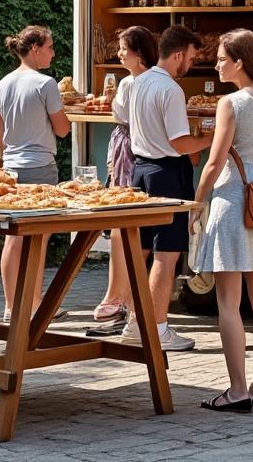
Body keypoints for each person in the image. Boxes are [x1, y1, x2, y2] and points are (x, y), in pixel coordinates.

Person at [192, 29, 253, 411]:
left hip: (234, 202)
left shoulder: (231, 103)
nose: (216, 63)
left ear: (239, 61)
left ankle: (236, 391)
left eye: (220, 58)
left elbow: (215, 162)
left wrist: (197, 204)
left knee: (229, 302)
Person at [120, 25, 211, 352]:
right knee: (167, 253)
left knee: (142, 250)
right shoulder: (170, 89)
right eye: (191, 56)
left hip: (141, 170)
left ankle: (134, 322)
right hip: (168, 172)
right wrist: (213, 139)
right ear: (178, 54)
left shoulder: (136, 82)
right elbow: (180, 141)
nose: (192, 62)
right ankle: (157, 327)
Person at [0, 26, 70, 321]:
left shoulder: (3, 83)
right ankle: (34, 303)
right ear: (35, 48)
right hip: (40, 166)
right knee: (38, 238)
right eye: (50, 47)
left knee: (13, 238)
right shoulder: (45, 84)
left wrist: (7, 157)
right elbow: (62, 129)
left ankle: (12, 306)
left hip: (11, 168)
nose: (52, 52)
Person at [92, 26, 157, 326]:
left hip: (130, 151)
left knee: (125, 223)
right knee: (125, 225)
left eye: (123, 48)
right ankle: (122, 297)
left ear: (139, 52)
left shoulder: (137, 83)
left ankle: (119, 297)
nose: (118, 53)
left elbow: (124, 117)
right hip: (128, 149)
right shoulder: (131, 82)